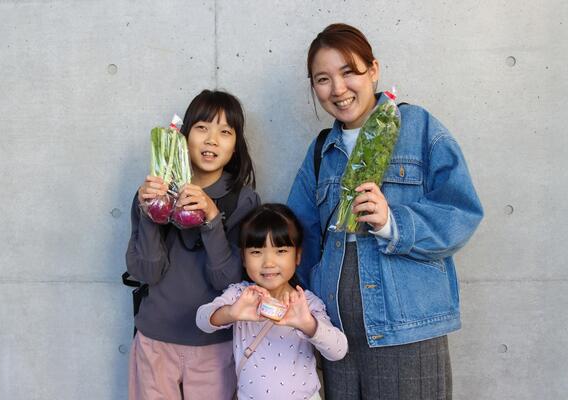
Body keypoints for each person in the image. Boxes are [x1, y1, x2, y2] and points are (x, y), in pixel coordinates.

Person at [287, 23, 484, 399]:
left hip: (406, 335)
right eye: (323, 79)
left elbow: (462, 211)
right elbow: (301, 236)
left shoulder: (419, 127)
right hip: (337, 340)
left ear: (373, 69)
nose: (338, 89)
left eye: (349, 72)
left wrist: (393, 223)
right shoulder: (321, 152)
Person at [126, 89, 260, 400]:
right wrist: (150, 214)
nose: (212, 139)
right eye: (202, 128)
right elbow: (147, 271)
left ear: (235, 146)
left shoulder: (244, 199)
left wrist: (212, 220)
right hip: (155, 341)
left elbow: (229, 281)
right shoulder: (151, 192)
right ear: (184, 136)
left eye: (225, 132)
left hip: (215, 347)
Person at [196, 203, 348, 400]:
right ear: (243, 258)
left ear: (298, 256)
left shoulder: (306, 303)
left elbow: (339, 350)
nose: (268, 262)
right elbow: (202, 320)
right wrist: (231, 312)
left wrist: (308, 324)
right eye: (256, 252)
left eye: (281, 251)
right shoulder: (241, 295)